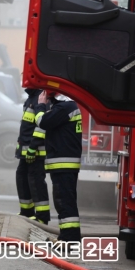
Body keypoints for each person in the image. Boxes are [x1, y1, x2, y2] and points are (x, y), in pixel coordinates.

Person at [37, 91, 82, 242]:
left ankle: (70, 240)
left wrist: (41, 105)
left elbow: (43, 122)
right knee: (64, 202)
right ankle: (66, 237)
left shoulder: (65, 107)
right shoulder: (66, 107)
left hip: (64, 164)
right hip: (64, 164)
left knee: (65, 202)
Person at [15, 88, 50, 224]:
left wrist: (33, 147)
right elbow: (26, 126)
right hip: (25, 151)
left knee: (36, 182)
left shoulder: (41, 98)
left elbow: (42, 126)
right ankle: (27, 212)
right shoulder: (31, 98)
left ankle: (42, 217)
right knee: (22, 178)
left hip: (35, 152)